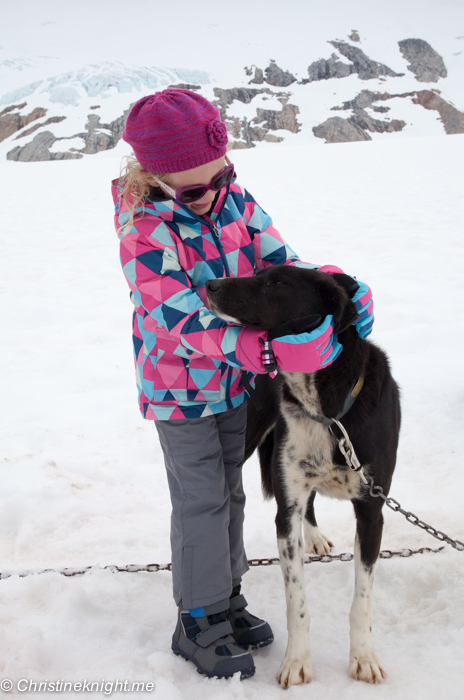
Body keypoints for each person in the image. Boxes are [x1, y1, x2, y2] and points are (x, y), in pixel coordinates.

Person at [111, 88, 374, 680]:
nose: (212, 196)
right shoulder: (144, 223)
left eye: (220, 176)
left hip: (236, 383)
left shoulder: (234, 200)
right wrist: (245, 345)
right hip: (180, 390)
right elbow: (168, 312)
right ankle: (197, 617)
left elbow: (280, 261)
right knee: (200, 499)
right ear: (153, 176)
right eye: (196, 189)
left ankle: (226, 598)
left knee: (228, 492)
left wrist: (330, 290)